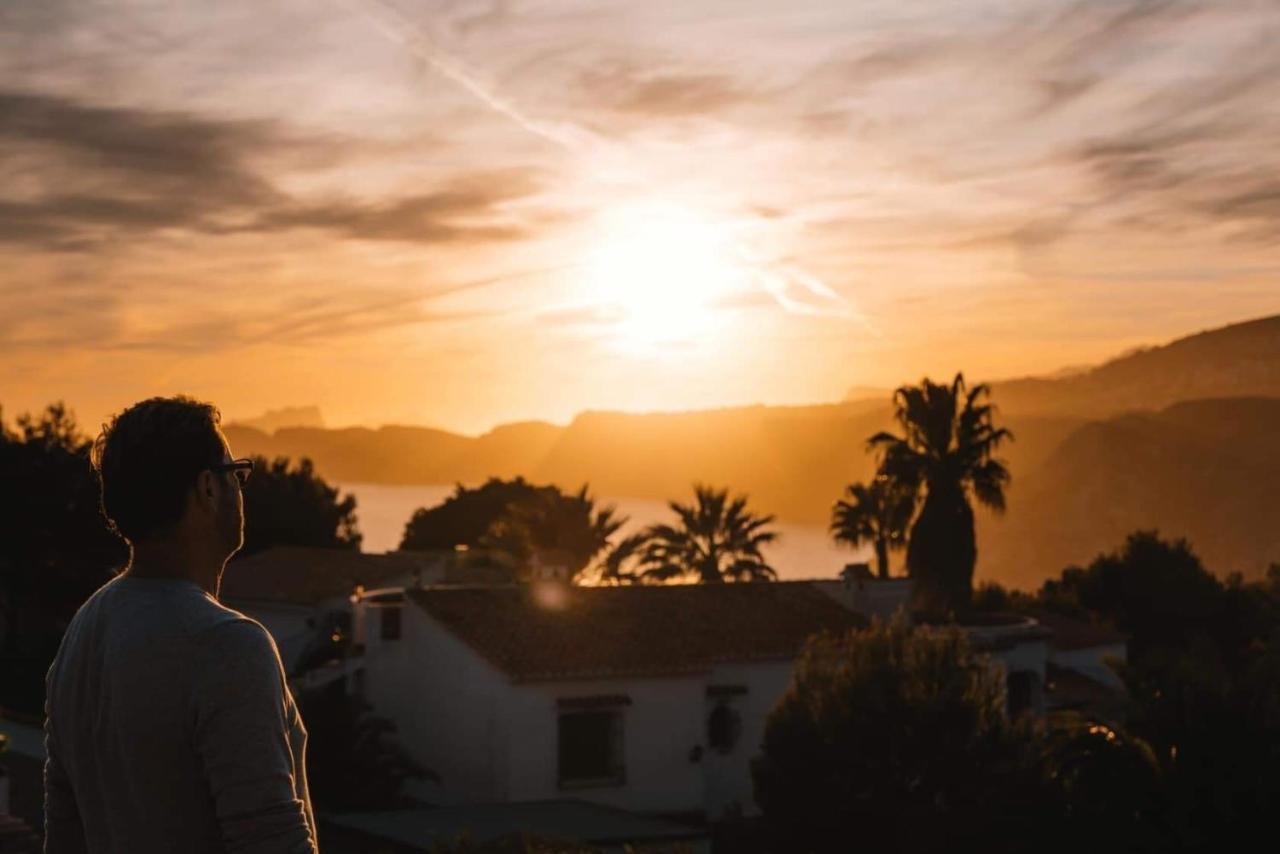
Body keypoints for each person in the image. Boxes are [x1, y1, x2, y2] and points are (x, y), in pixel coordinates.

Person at [43, 396, 318, 853]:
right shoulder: (227, 645)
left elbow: (64, 835)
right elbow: (271, 838)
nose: (241, 489)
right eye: (237, 474)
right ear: (208, 488)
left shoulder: (83, 633)